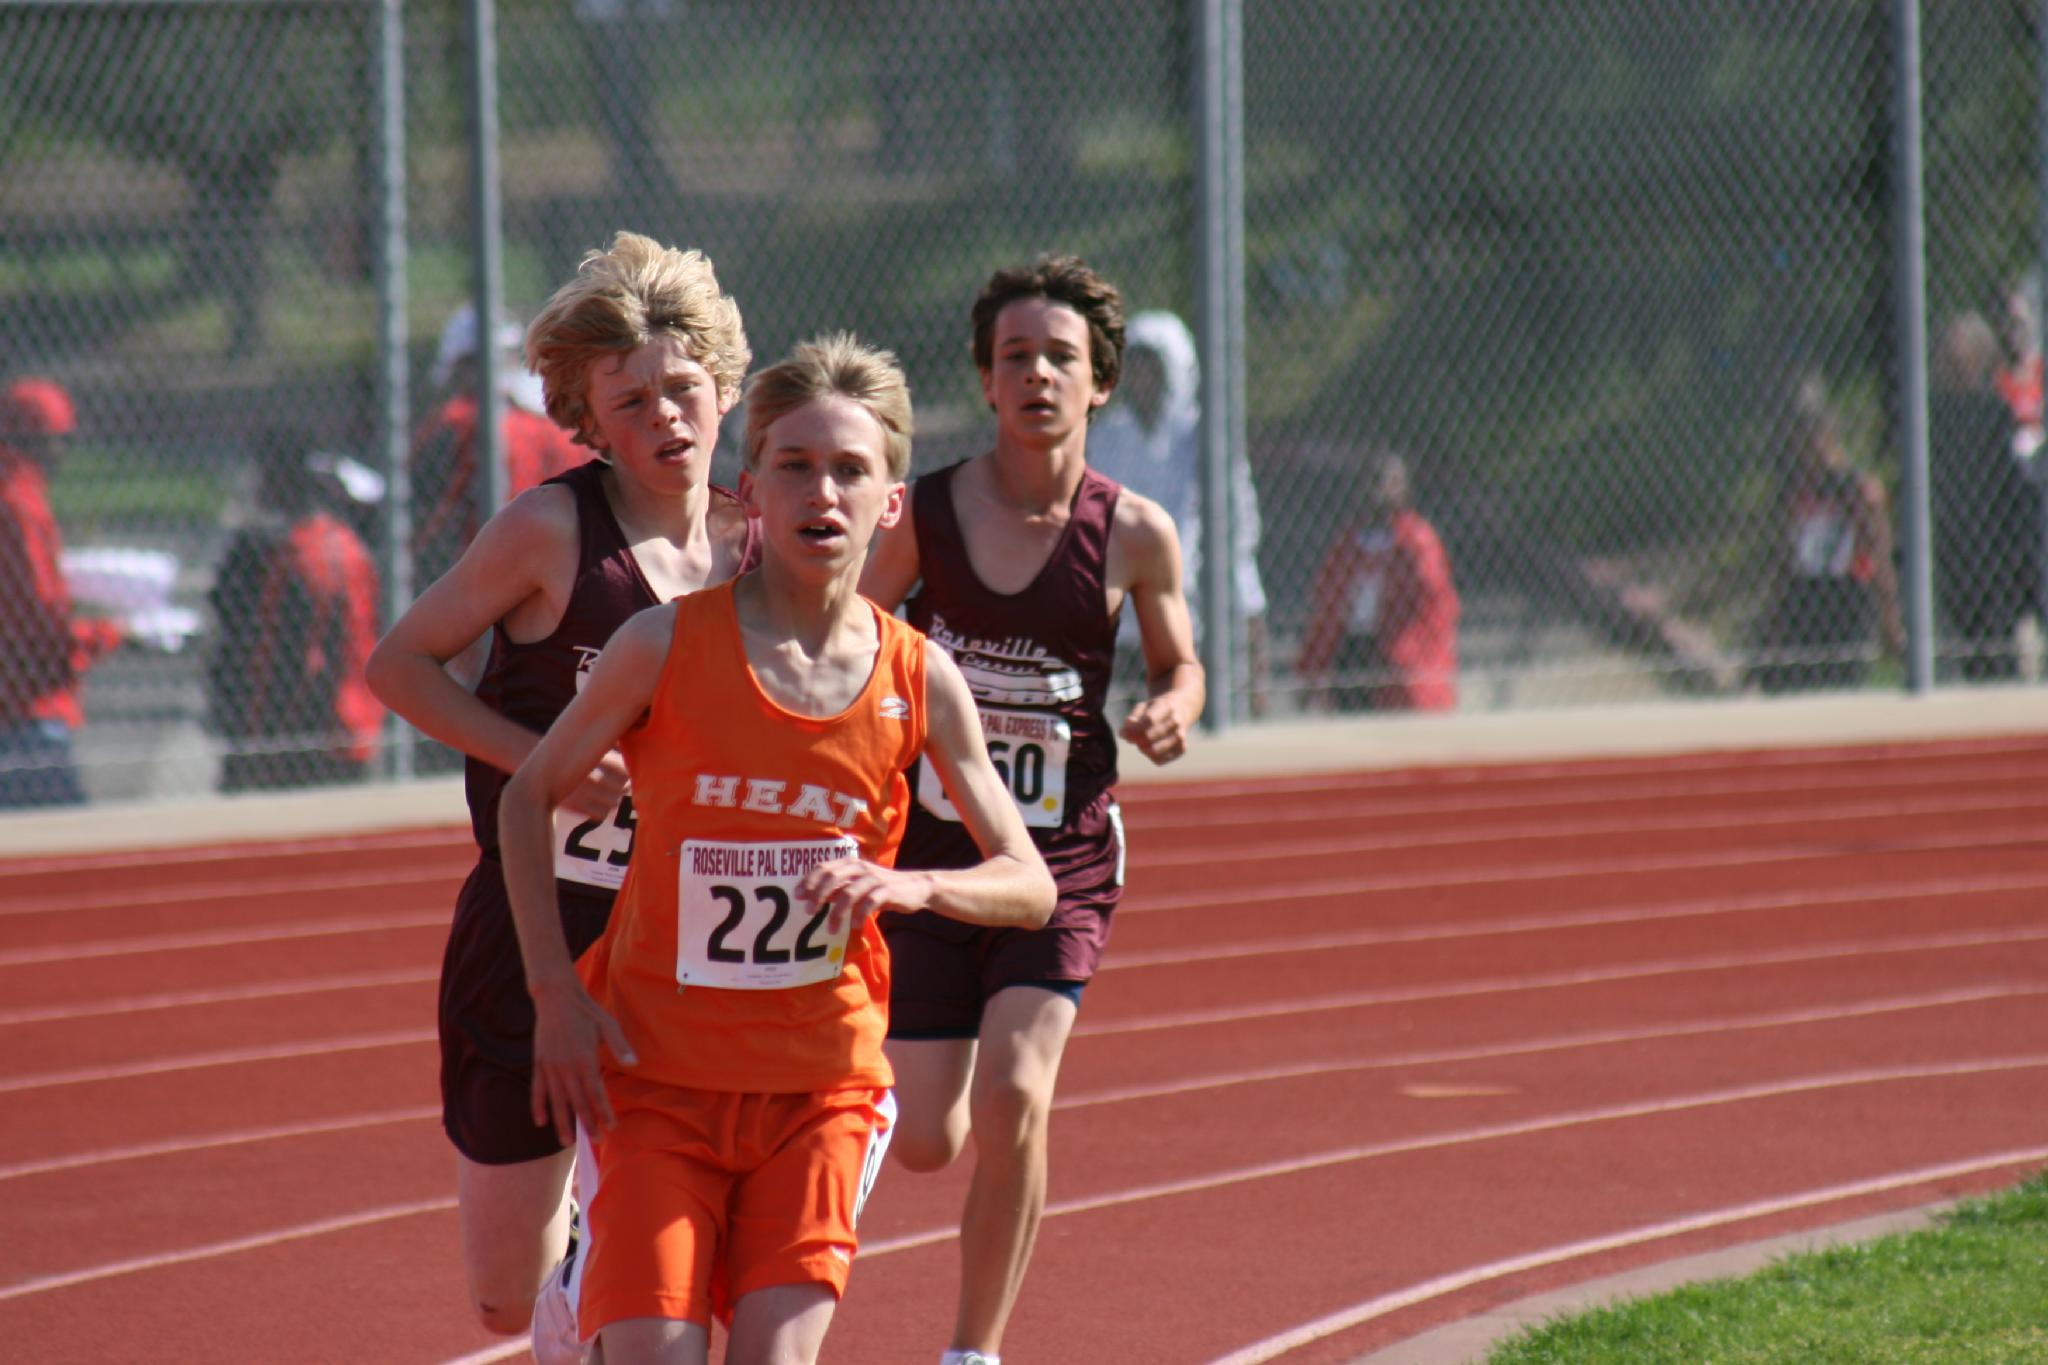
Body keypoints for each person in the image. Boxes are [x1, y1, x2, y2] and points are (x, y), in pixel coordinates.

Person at [500, 333, 1057, 1365]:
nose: (822, 493)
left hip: (820, 1090)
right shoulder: (662, 644)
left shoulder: (918, 676)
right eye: (795, 466)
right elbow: (527, 797)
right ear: (750, 490)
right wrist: (554, 995)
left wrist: (912, 886)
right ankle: (589, 1286)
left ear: (891, 502)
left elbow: (1028, 885)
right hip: (656, 1081)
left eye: (850, 469)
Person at [364, 231, 759, 1350]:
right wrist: (535, 760)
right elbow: (399, 664)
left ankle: (610, 1261)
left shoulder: (759, 545)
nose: (665, 418)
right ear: (588, 420)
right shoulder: (550, 532)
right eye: (630, 402)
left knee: (669, 1273)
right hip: (534, 929)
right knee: (505, 1295)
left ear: (725, 389)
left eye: (683, 390)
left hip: (683, 945)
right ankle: (580, 1262)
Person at [857, 255, 1206, 1365]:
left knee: (1016, 1093)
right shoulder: (923, 515)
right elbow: (850, 640)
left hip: (1058, 861)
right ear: (985, 378)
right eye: (1016, 356)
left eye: (1061, 357)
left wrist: (1172, 706)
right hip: (931, 857)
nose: (1038, 375)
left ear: (1100, 382)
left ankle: (974, 1351)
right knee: (926, 1138)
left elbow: (1181, 662)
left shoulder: (1135, 532)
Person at [1086, 309, 1270, 716]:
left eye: (1153, 369)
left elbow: (1239, 518)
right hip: (1130, 597)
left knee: (1242, 585)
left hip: (1198, 592)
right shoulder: (1109, 435)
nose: (1142, 379)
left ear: (1176, 370)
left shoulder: (1202, 433)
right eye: (1135, 368)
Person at [206, 427, 385, 791]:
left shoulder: (300, 554)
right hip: (353, 722)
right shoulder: (341, 542)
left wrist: (256, 744)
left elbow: (293, 658)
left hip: (312, 735)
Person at [0, 377, 122, 807]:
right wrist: (108, 634)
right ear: (42, 440)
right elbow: (41, 621)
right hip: (25, 711)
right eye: (61, 440)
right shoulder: (19, 502)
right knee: (63, 834)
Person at [411, 301, 590, 592]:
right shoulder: (572, 419)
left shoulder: (462, 419)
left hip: (489, 589)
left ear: (468, 364)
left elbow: (418, 514)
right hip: (577, 580)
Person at [1750, 379, 1905, 693]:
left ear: (1830, 435)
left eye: (1814, 437)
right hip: (1803, 598)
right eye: (1799, 438)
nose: (1808, 449)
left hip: (1846, 597)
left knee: (1840, 685)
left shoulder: (1857, 489)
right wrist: (1773, 618)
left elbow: (1879, 556)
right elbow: (1784, 559)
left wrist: (1889, 619)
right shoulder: (1793, 489)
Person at [1297, 451, 1461, 712]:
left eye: (1389, 482)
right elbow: (1326, 603)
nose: (1379, 490)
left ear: (1404, 488)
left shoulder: (1416, 540)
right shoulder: (1348, 543)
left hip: (1399, 649)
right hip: (1355, 645)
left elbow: (1432, 596)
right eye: (1373, 480)